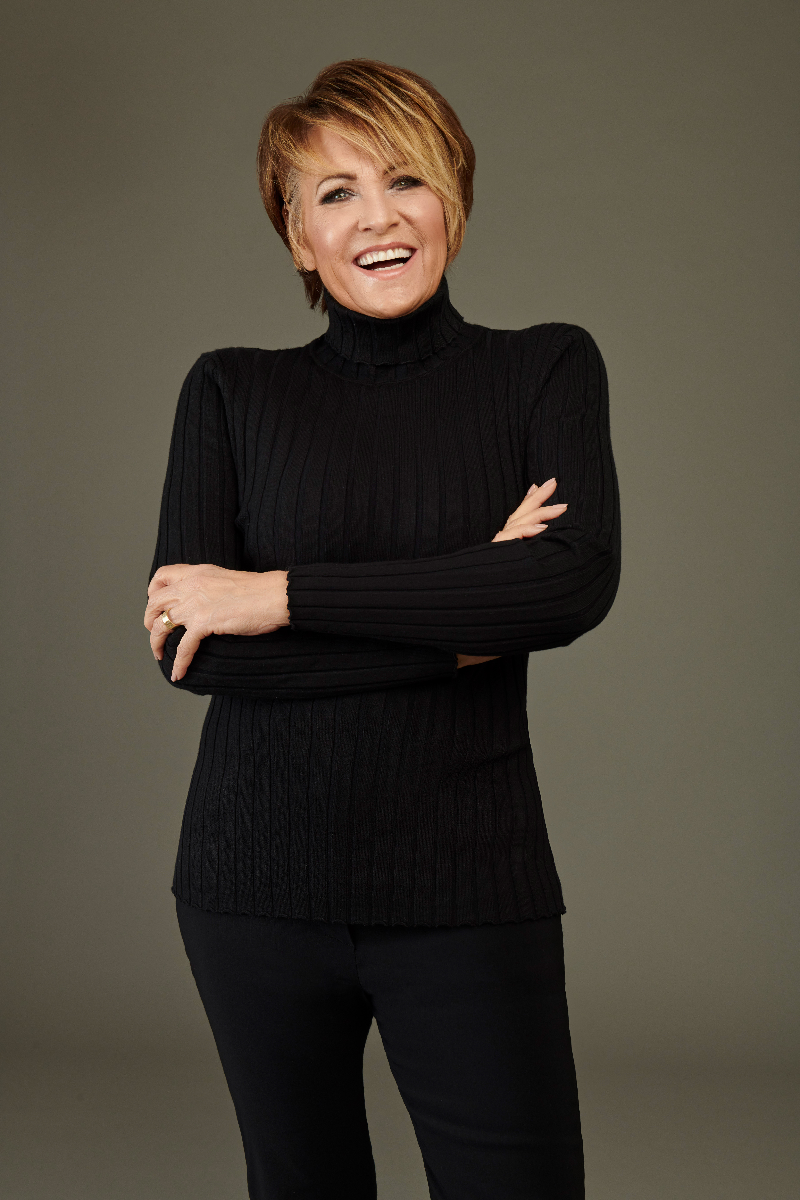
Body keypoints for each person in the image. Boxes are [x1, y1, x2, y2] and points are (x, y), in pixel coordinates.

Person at [144, 59, 620, 1200]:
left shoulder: (544, 367)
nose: (379, 217)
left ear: (452, 199)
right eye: (336, 193)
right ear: (298, 241)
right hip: (252, 885)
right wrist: (463, 614)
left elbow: (564, 586)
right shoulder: (230, 391)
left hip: (468, 887)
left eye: (406, 179)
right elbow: (191, 652)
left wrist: (275, 596)